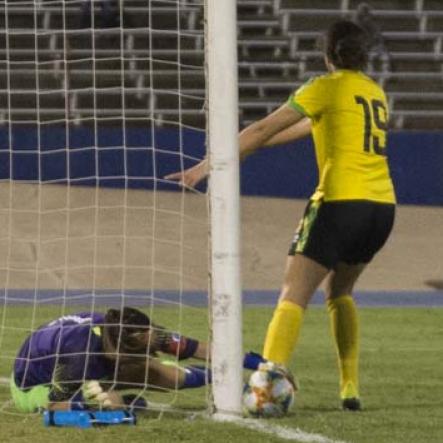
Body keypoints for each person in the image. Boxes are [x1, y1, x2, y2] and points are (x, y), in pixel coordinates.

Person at [165, 20, 396, 411]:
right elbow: (297, 130)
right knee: (339, 293)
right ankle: (349, 388)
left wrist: (206, 166)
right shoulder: (374, 93)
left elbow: (263, 127)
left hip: (338, 203)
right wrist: (245, 150)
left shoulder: (323, 87)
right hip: (380, 209)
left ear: (327, 56)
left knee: (293, 295)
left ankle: (264, 388)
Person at [12, 307, 265, 412]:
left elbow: (195, 348)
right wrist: (106, 407)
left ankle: (225, 381)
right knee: (104, 403)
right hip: (35, 387)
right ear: (120, 350)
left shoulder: (133, 331)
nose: (150, 349)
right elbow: (56, 404)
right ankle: (120, 402)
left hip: (89, 369)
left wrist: (256, 363)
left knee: (159, 373)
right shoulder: (79, 353)